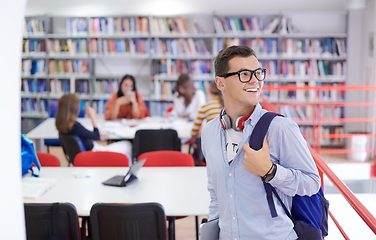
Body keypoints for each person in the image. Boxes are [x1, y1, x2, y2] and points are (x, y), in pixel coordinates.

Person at [201, 45, 320, 239]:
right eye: (244, 74)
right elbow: (215, 193)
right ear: (220, 83)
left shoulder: (280, 128)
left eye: (258, 73)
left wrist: (270, 171)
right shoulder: (209, 132)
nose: (255, 80)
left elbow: (312, 183)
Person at [56, 93, 132, 160]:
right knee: (127, 145)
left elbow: (84, 133)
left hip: (84, 156)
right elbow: (96, 136)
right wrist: (93, 117)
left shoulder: (63, 125)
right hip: (95, 153)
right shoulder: (75, 126)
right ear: (74, 108)